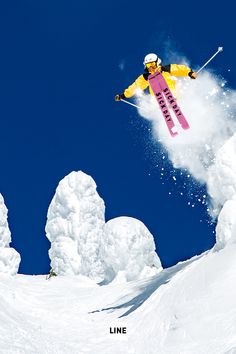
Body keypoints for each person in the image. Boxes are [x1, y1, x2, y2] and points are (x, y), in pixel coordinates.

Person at [115, 53, 197, 101]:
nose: (151, 67)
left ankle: (172, 99)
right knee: (152, 80)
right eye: (148, 65)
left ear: (157, 63)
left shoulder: (165, 69)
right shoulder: (145, 77)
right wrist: (123, 96)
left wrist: (190, 73)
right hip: (158, 97)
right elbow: (135, 86)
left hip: (172, 92)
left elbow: (179, 69)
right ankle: (160, 103)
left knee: (165, 78)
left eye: (152, 64)